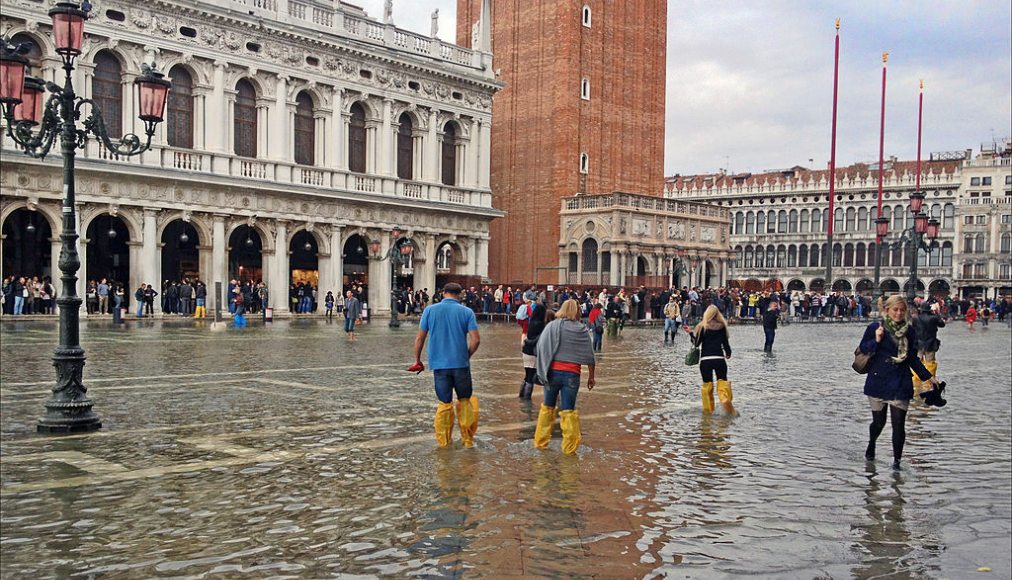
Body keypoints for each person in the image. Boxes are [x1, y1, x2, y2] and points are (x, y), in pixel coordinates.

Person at [858, 295, 938, 469]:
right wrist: (876, 340)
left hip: (900, 382)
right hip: (878, 381)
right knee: (878, 423)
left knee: (899, 424)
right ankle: (872, 443)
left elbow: (912, 358)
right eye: (895, 310)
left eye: (902, 310)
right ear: (887, 310)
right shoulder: (875, 328)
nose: (899, 313)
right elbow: (863, 348)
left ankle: (897, 462)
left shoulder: (909, 331)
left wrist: (928, 377)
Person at [411, 283, 481, 448]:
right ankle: (468, 441)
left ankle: (444, 443)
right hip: (461, 365)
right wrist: (467, 355)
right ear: (460, 294)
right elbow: (476, 340)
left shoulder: (430, 310)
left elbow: (420, 338)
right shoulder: (466, 312)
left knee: (444, 403)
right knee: (464, 401)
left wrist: (417, 360)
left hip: (439, 365)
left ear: (443, 293)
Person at [534, 299, 596, 454]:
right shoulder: (581, 329)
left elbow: (540, 347)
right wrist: (591, 377)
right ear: (577, 311)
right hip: (572, 375)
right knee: (569, 411)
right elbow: (590, 355)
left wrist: (541, 370)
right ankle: (569, 449)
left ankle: (541, 444)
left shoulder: (551, 326)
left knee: (547, 408)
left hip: (551, 374)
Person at [685, 305, 735, 416]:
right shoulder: (722, 327)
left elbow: (696, 343)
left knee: (707, 386)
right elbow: (726, 344)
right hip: (719, 359)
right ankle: (724, 399)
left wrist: (690, 332)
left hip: (706, 360)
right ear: (718, 314)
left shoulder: (702, 326)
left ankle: (708, 412)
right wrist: (728, 353)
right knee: (722, 383)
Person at [911, 302, 945, 391]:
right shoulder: (933, 318)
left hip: (918, 344)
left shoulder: (915, 318)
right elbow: (942, 324)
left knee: (917, 362)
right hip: (930, 343)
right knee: (930, 363)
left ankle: (916, 380)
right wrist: (936, 314)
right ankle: (929, 381)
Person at [519, 296, 548, 400]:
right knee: (531, 377)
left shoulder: (531, 323)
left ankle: (521, 395)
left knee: (527, 375)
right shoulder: (541, 325)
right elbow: (540, 339)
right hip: (533, 353)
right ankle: (527, 398)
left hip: (526, 352)